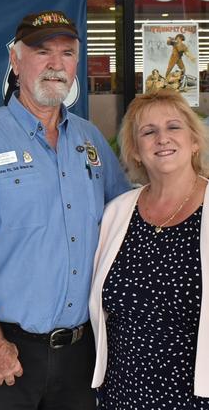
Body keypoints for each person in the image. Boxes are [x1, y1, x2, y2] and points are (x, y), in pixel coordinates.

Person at [0, 10, 131, 409]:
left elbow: (126, 220)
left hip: (82, 353)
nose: (56, 64)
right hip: (6, 350)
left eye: (67, 53)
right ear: (15, 59)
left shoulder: (90, 140)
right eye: (42, 52)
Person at [90, 88, 209, 409]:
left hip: (196, 397)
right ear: (137, 151)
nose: (162, 138)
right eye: (148, 131)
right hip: (123, 393)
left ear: (194, 141)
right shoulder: (117, 213)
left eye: (173, 127)